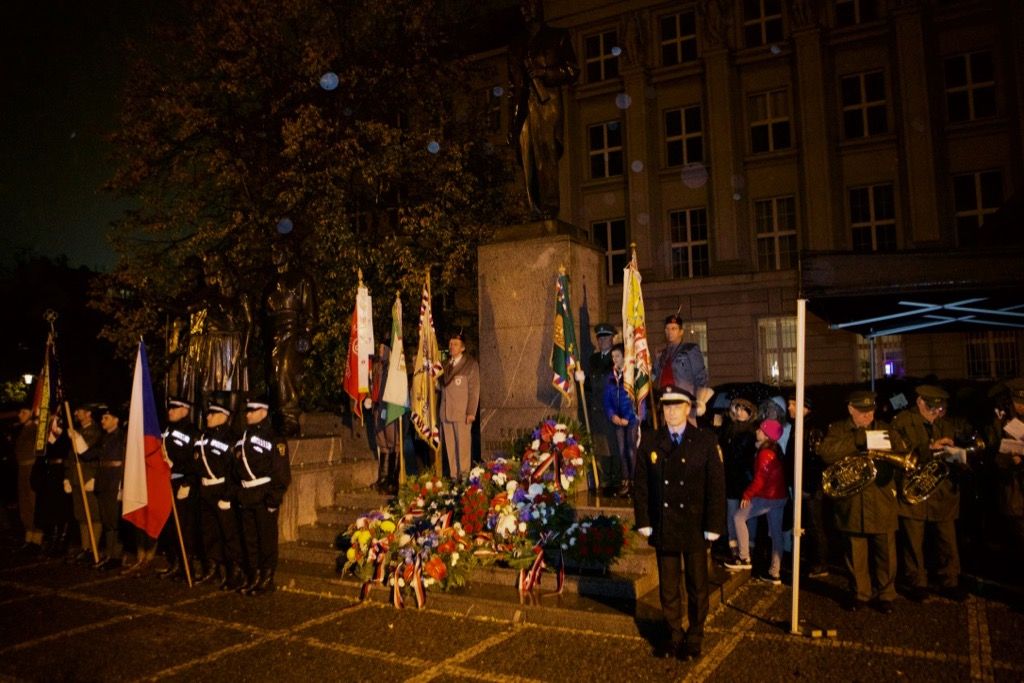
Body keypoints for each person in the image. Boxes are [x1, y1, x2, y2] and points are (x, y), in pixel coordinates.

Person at [634, 385, 725, 661]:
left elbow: (716, 486)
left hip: (695, 524)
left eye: (677, 406)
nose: (671, 412)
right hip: (665, 523)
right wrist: (644, 520)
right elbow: (641, 485)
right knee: (669, 585)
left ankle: (695, 634)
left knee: (697, 584)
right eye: (666, 407)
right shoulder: (650, 440)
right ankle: (674, 634)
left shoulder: (705, 440)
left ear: (688, 408)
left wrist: (714, 524)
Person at [819, 390, 899, 613]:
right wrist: (857, 439)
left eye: (871, 411)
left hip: (881, 496)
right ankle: (860, 593)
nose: (868, 416)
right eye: (863, 412)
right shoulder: (838, 429)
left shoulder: (885, 428)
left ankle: (887, 594)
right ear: (851, 409)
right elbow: (826, 453)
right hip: (853, 501)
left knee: (886, 552)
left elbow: (902, 452)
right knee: (855, 552)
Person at [892, 385, 969, 602]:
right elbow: (900, 451)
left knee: (947, 540)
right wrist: (930, 448)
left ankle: (950, 581)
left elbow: (959, 453)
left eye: (940, 407)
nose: (936, 412)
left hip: (942, 491)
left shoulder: (947, 423)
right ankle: (917, 582)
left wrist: (959, 457)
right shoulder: (903, 421)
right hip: (914, 489)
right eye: (931, 407)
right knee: (913, 541)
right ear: (919, 402)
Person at [507, 0, 579, 219]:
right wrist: (513, 119)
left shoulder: (557, 37)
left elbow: (572, 70)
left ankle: (549, 207)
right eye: (521, 6)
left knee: (545, 155)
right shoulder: (516, 45)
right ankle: (533, 209)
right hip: (524, 106)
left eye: (529, 4)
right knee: (527, 157)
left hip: (547, 104)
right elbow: (514, 86)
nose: (525, 10)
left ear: (539, 6)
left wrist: (544, 72)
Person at [234, 398, 291, 595]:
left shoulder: (274, 437)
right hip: (246, 494)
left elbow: (281, 471)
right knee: (250, 539)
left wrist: (274, 499)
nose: (248, 414)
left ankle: (267, 577)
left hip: (263, 494)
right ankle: (254, 575)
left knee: (266, 539)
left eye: (252, 410)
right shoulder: (243, 436)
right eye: (247, 411)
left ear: (263, 412)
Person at [726, 419, 789, 585]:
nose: (757, 432)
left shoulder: (764, 454)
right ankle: (775, 572)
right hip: (779, 496)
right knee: (776, 533)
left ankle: (744, 557)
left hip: (768, 497)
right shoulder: (775, 450)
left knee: (738, 517)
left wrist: (747, 494)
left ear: (767, 435)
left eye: (761, 430)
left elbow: (760, 480)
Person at [265, 240, 318, 436]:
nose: (274, 255)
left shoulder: (301, 280)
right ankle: (278, 415)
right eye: (272, 251)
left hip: (293, 332)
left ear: (287, 251)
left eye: (277, 250)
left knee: (286, 370)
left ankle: (290, 416)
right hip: (274, 334)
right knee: (274, 374)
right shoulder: (270, 285)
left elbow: (311, 314)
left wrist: (305, 333)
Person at [194, 400, 244, 589]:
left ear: (223, 417)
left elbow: (234, 471)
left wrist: (229, 495)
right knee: (209, 533)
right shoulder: (202, 437)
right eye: (208, 414)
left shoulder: (230, 439)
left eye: (212, 414)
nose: (208, 417)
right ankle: (213, 569)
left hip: (222, 489)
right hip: (206, 489)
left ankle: (234, 572)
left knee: (228, 533)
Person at [73, 404, 126, 570]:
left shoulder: (122, 437)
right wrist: (77, 439)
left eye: (106, 418)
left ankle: (116, 556)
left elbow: (125, 462)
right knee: (106, 519)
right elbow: (89, 455)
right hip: (103, 481)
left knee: (114, 520)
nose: (102, 421)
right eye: (102, 418)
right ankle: (109, 554)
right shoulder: (104, 438)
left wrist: (122, 485)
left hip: (114, 481)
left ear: (116, 420)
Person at [785, 394, 829, 578]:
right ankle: (811, 559)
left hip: (809, 486)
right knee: (807, 524)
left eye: (793, 404)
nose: (789, 408)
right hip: (802, 484)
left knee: (814, 524)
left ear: (805, 407)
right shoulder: (799, 426)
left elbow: (814, 460)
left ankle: (820, 563)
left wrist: (809, 486)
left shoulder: (811, 429)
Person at [158, 398, 201, 580]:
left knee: (184, 527)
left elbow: (196, 461)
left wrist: (188, 483)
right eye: (170, 408)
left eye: (175, 408)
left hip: (183, 483)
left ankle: (186, 566)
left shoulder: (192, 432)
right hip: (167, 482)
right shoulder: (166, 430)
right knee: (170, 528)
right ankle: (175, 562)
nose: (171, 411)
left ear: (186, 410)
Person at [719, 396, 757, 564]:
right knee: (731, 512)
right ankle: (733, 545)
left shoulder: (751, 431)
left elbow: (742, 454)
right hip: (731, 477)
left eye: (744, 409)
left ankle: (748, 546)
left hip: (745, 478)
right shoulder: (729, 428)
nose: (740, 412)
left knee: (746, 514)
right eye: (738, 408)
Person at [652, 315, 712, 421]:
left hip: (685, 400)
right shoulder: (663, 353)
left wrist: (700, 400)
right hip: (665, 400)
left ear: (681, 331)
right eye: (667, 329)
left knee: (688, 432)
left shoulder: (690, 349)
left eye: (674, 328)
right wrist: (655, 359)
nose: (670, 332)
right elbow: (654, 375)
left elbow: (700, 375)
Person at [992, 378, 1024, 575]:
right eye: (1017, 403)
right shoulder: (1005, 421)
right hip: (1015, 492)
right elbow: (996, 453)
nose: (1020, 406)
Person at [64, 403, 102, 564]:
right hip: (76, 477)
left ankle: (93, 548)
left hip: (87, 476)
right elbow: (71, 457)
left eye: (79, 410)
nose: (76, 412)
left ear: (88, 414)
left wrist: (95, 478)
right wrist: (67, 477)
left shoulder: (95, 432)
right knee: (81, 514)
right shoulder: (77, 431)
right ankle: (85, 547)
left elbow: (88, 453)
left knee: (93, 514)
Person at [603, 343, 642, 496]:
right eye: (613, 357)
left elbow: (637, 400)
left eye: (617, 356)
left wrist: (628, 417)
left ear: (624, 357)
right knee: (621, 450)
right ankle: (625, 481)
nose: (614, 359)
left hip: (631, 420)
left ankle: (635, 482)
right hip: (618, 420)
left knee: (632, 450)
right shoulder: (610, 376)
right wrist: (612, 415)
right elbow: (607, 400)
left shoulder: (632, 375)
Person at [440, 332, 480, 480]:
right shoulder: (444, 365)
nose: (452, 347)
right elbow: (440, 386)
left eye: (455, 344)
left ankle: (463, 478)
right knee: (450, 448)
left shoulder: (470, 364)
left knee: (462, 448)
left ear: (462, 348)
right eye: (450, 344)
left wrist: (471, 412)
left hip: (461, 412)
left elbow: (474, 390)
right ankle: (453, 477)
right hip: (445, 411)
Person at [13, 406, 43, 551]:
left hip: (32, 468)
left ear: (31, 413)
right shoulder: (21, 430)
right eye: (20, 412)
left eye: (23, 412)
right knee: (24, 503)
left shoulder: (36, 430)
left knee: (33, 502)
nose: (20, 415)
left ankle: (37, 538)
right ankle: (28, 535)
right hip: (22, 469)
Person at [588, 323, 616, 475]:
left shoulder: (616, 357)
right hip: (596, 410)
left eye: (605, 337)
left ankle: (614, 481)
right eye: (599, 338)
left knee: (612, 447)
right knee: (599, 447)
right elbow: (590, 385)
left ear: (612, 338)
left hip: (610, 410)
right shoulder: (593, 359)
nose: (601, 341)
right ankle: (603, 479)